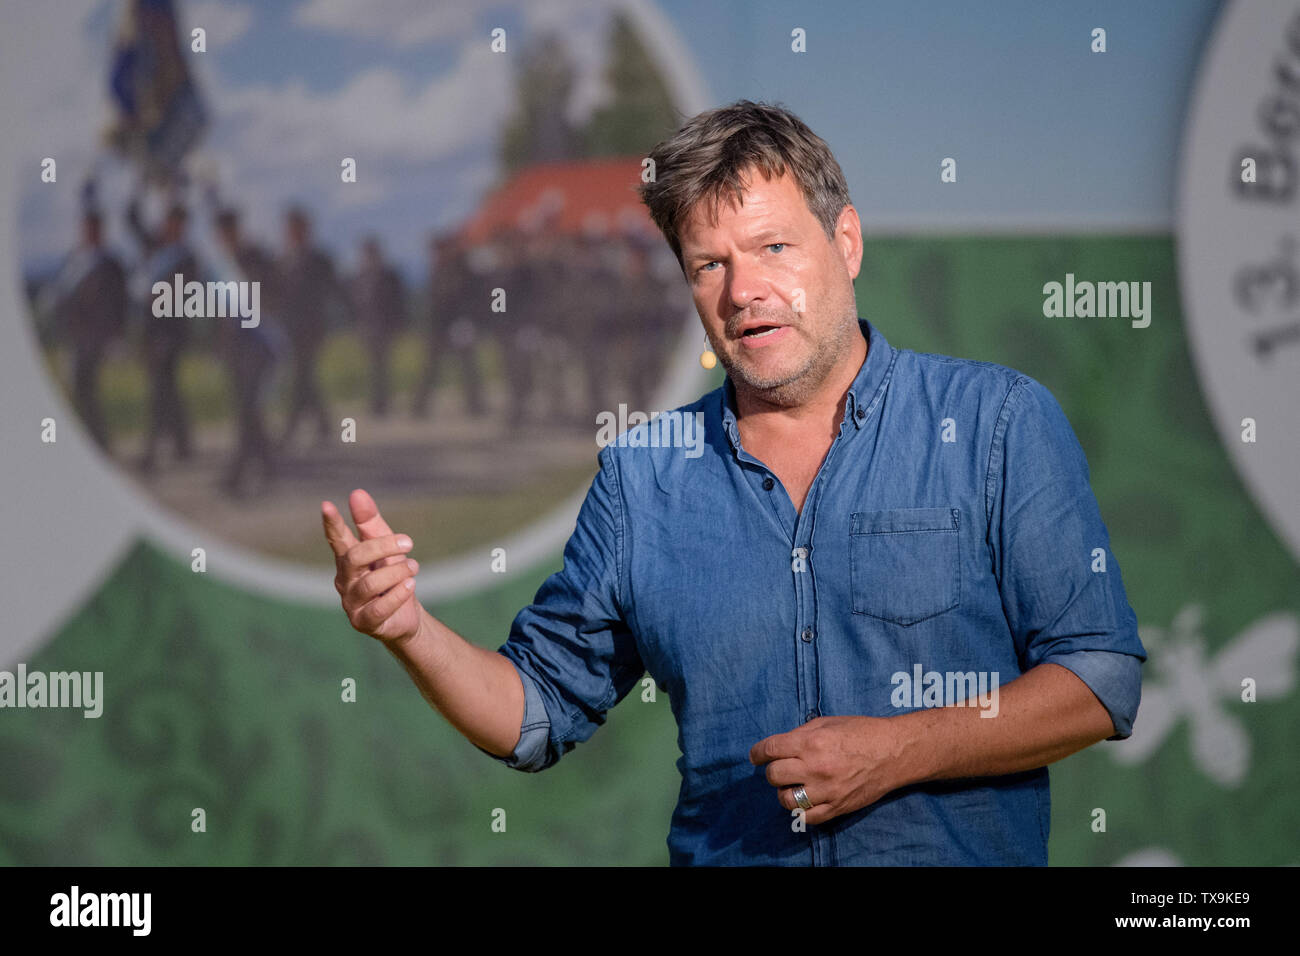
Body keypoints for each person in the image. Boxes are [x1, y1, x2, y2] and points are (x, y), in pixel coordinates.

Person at [320, 100, 1146, 865]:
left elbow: (1100, 680)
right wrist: (407, 629)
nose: (742, 290)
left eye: (773, 248)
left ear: (846, 241)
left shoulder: (997, 422)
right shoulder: (643, 479)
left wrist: (899, 751)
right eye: (707, 264)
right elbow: (533, 716)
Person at [41, 210, 128, 454]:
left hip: (95, 337)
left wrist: (117, 336)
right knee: (78, 388)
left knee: (84, 386)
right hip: (73, 334)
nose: (89, 233)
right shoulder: (74, 259)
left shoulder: (110, 263)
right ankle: (94, 441)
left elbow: (119, 303)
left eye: (93, 228)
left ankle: (97, 443)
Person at [127, 198, 196, 473]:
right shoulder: (155, 248)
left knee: (159, 390)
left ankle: (151, 453)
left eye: (177, 224)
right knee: (167, 388)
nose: (171, 228)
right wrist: (145, 187)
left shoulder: (186, 257)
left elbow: (182, 297)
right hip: (151, 331)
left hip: (170, 333)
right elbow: (131, 218)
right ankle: (183, 443)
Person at [213, 207, 279, 496]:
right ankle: (267, 466)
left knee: (247, 409)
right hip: (235, 347)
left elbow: (268, 295)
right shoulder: (224, 264)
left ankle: (237, 474)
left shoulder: (252, 258)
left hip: (258, 344)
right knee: (249, 410)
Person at [277, 205, 345, 447]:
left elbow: (336, 289)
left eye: (297, 228)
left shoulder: (319, 260)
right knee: (305, 375)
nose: (293, 233)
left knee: (301, 374)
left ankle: (291, 428)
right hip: (290, 327)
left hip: (312, 327)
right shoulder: (283, 259)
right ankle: (323, 423)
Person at [349, 235, 406, 417]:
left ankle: (382, 403)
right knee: (373, 367)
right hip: (367, 327)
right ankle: (376, 403)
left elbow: (399, 303)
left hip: (386, 327)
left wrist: (398, 325)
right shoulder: (359, 278)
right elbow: (354, 305)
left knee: (382, 366)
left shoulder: (390, 276)